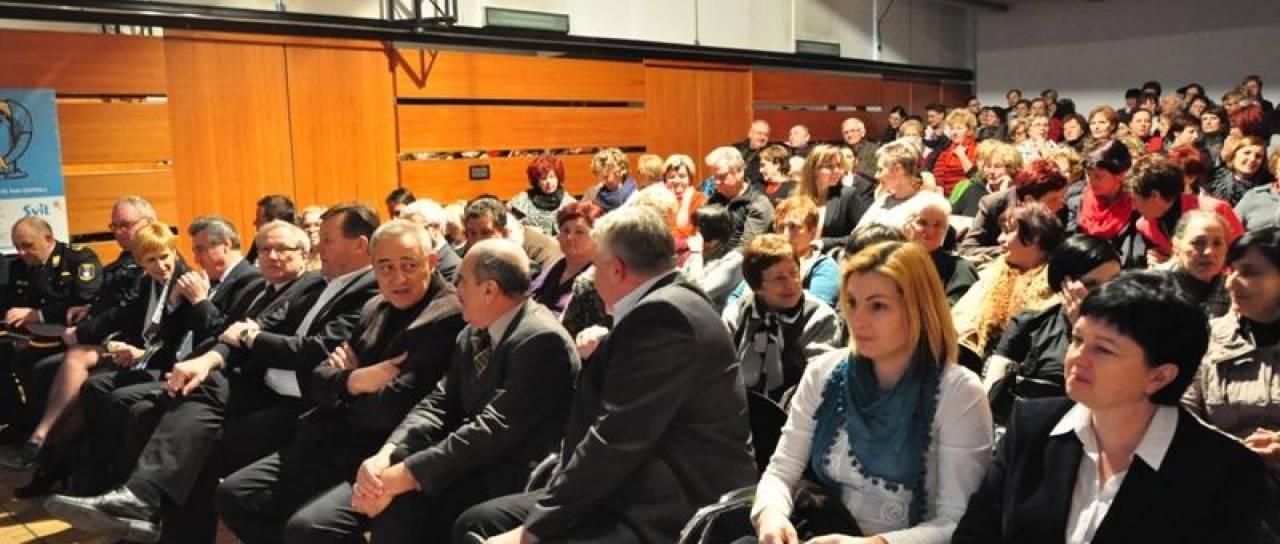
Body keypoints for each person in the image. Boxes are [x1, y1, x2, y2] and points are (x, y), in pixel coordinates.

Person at [44, 205, 380, 543]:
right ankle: (140, 503)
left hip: (305, 405)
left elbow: (308, 348)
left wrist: (242, 336)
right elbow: (241, 332)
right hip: (261, 385)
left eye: (326, 240)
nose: (319, 245)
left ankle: (143, 501)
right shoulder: (314, 283)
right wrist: (209, 360)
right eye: (264, 249)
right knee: (157, 411)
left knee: (189, 437)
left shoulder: (354, 288)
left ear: (359, 245)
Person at [453, 206, 756, 544]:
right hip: (638, 479)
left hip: (669, 503)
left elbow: (616, 439)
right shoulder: (668, 301)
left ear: (616, 269)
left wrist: (531, 531)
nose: (591, 277)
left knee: (491, 529)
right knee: (480, 521)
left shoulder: (664, 317)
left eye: (595, 266)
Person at [953, 271, 1271, 543]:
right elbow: (976, 534)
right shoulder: (1033, 425)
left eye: (1104, 350)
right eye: (1078, 340)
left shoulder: (1224, 471)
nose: (1078, 358)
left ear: (1160, 376)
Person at [216, 219, 468, 544]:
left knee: (309, 528)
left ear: (431, 262)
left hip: (387, 451)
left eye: (409, 265)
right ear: (373, 267)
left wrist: (343, 383)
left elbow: (392, 406)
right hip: (332, 438)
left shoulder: (446, 315)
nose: (398, 277)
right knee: (235, 494)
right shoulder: (375, 306)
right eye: (386, 267)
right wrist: (356, 379)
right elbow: (318, 378)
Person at [747, 241, 992, 543]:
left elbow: (958, 521)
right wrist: (772, 514)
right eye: (851, 303)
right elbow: (781, 472)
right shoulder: (824, 372)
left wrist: (875, 543)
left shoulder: (959, 393)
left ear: (917, 309)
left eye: (877, 306)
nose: (858, 320)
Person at [982, 235, 1121, 426]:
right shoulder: (1030, 324)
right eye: (1091, 285)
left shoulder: (1130, 331)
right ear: (1064, 286)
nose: (1106, 293)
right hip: (1033, 427)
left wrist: (1085, 330)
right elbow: (991, 393)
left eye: (1114, 283)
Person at [0, 216, 102, 443]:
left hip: (72, 338)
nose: (21, 253)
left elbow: (84, 302)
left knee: (34, 366)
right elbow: (13, 302)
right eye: (17, 246)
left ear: (48, 239)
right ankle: (19, 422)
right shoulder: (18, 266)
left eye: (27, 246)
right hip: (32, 335)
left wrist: (39, 314)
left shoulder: (78, 259)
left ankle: (46, 434)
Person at [722, 234, 841, 403]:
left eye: (794, 273)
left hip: (796, 409)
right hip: (739, 406)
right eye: (779, 278)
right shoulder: (737, 313)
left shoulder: (819, 317)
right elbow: (721, 371)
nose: (791, 283)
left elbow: (820, 383)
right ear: (756, 285)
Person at [953, 203, 1064, 360]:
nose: (1000, 239)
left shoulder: (1057, 286)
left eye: (1008, 231)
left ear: (1034, 237)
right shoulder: (993, 273)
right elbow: (960, 324)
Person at [1127, 154, 1241, 267]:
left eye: (1135, 199)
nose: (1133, 207)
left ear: (1154, 195)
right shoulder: (1144, 226)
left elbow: (1241, 255)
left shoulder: (1214, 210)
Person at [959, 159, 1068, 263]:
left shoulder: (1060, 210)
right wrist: (1011, 250)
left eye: (1063, 196)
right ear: (1029, 200)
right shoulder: (993, 204)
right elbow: (967, 249)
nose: (1061, 204)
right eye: (1053, 199)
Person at [1067, 139, 1146, 269]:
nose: (1091, 181)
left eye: (1098, 177)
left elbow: (1134, 260)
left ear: (1120, 175)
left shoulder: (1137, 209)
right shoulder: (1075, 202)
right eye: (1089, 175)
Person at [462, 196, 562, 281]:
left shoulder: (525, 271)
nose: (478, 240)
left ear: (504, 233)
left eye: (486, 233)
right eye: (472, 233)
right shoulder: (466, 267)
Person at [795, 144, 875, 252]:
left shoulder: (848, 195)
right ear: (813, 170)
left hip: (833, 256)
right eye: (829, 166)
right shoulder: (796, 196)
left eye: (839, 166)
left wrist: (824, 243)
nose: (837, 171)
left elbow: (864, 235)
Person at [530, 201, 603, 316]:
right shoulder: (554, 267)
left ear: (597, 237)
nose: (569, 237)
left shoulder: (598, 278)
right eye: (566, 231)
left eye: (579, 232)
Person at [858, 140, 950, 231]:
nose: (876, 175)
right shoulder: (883, 200)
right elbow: (857, 234)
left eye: (880, 170)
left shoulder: (929, 206)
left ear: (898, 170)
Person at [1157, 210, 1233, 319]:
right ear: (1176, 246)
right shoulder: (1154, 288)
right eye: (1198, 242)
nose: (1209, 251)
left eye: (1217, 243)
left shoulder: (1233, 290)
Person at [904, 198, 978, 305]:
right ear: (906, 227)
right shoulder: (890, 262)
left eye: (938, 225)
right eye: (922, 223)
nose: (930, 231)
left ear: (946, 230)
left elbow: (958, 310)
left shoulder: (960, 269)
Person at [771, 196, 839, 307]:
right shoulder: (767, 261)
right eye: (781, 227)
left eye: (793, 227)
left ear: (812, 231)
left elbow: (814, 310)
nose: (785, 235)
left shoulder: (824, 266)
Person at [705, 146, 774, 249]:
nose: (717, 182)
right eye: (714, 177)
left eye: (722, 176)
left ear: (740, 171)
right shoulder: (714, 200)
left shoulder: (758, 204)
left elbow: (745, 250)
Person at [682, 205, 745, 313]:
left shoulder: (733, 260)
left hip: (709, 316)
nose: (690, 233)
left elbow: (697, 291)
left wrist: (696, 253)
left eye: (695, 229)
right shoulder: (700, 252)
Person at [949, 140, 1022, 218]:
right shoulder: (974, 189)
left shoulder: (1019, 194)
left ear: (1012, 169)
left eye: (997, 167)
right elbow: (951, 216)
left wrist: (1004, 193)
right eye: (988, 166)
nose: (991, 171)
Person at [507, 154, 575, 237]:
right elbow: (510, 224)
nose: (549, 182)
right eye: (544, 178)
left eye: (552, 177)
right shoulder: (523, 200)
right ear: (536, 181)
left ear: (558, 178)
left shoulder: (569, 203)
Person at [399, 199, 462, 284]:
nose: (407, 237)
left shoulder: (452, 267)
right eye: (405, 231)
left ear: (436, 227)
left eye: (414, 230)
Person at [927, 109, 978, 196]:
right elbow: (938, 178)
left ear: (970, 131)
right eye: (952, 128)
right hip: (947, 196)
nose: (954, 132)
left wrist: (962, 156)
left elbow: (976, 177)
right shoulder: (945, 152)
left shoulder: (978, 149)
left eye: (959, 128)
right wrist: (941, 200)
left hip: (969, 194)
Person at [1210, 135, 1269, 206]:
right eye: (1247, 153)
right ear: (1234, 155)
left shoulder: (1265, 189)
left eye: (1258, 156)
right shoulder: (1214, 177)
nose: (1252, 159)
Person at [663, 153, 706, 240]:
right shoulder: (659, 198)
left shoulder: (700, 199)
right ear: (665, 180)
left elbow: (685, 231)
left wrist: (685, 204)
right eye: (671, 177)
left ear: (690, 179)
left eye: (682, 176)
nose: (676, 181)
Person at [581, 148, 635, 214]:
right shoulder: (593, 194)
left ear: (619, 172)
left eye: (606, 177)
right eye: (600, 178)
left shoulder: (634, 195)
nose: (603, 182)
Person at [246, 195, 296, 265]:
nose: (255, 223)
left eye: (259, 219)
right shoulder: (259, 241)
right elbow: (248, 265)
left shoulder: (298, 245)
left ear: (275, 222)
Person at [734, 119, 771, 188]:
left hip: (753, 188)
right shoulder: (735, 148)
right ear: (750, 134)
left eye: (766, 135)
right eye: (759, 133)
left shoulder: (769, 155)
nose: (762, 137)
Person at [296, 205, 326, 272]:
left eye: (317, 225)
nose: (311, 230)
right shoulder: (300, 256)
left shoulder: (335, 255)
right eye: (307, 226)